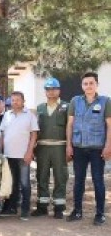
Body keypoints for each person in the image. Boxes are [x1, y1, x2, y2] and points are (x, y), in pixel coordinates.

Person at [66, 71, 111, 225]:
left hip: (97, 148)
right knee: (78, 180)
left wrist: (108, 146)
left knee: (98, 181)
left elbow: (110, 126)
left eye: (91, 83)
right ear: (82, 86)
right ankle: (77, 211)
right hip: (79, 147)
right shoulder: (75, 101)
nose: (88, 86)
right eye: (86, 83)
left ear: (96, 84)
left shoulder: (105, 101)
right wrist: (68, 145)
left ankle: (100, 214)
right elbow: (70, 124)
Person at [32, 78, 70, 218]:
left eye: (54, 89)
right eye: (48, 89)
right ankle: (42, 206)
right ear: (45, 91)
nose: (51, 92)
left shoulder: (67, 106)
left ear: (59, 90)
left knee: (60, 176)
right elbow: (35, 129)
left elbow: (70, 128)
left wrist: (69, 148)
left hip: (60, 146)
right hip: (42, 147)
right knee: (41, 176)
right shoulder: (40, 108)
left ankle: (59, 207)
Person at [0, 91, 39, 220]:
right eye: (13, 100)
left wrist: (29, 152)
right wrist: (1, 151)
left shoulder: (30, 115)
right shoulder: (7, 115)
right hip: (8, 155)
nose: (15, 102)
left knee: (25, 183)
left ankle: (25, 210)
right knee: (12, 183)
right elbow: (3, 134)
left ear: (23, 101)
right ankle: (12, 208)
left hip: (23, 156)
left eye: (18, 100)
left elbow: (34, 135)